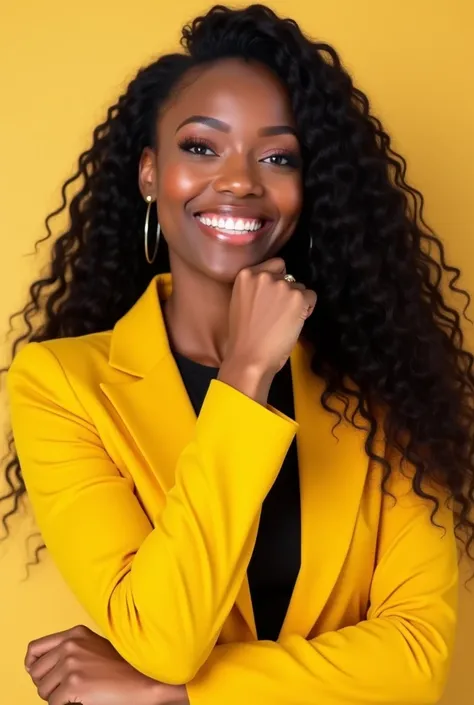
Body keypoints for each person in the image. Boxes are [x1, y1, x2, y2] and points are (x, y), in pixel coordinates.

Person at [3, 3, 473, 704]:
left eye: (278, 156)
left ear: (307, 189)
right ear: (149, 173)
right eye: (201, 146)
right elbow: (163, 636)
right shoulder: (62, 385)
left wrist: (170, 694)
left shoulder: (390, 384)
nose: (240, 180)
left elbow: (415, 660)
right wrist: (246, 373)